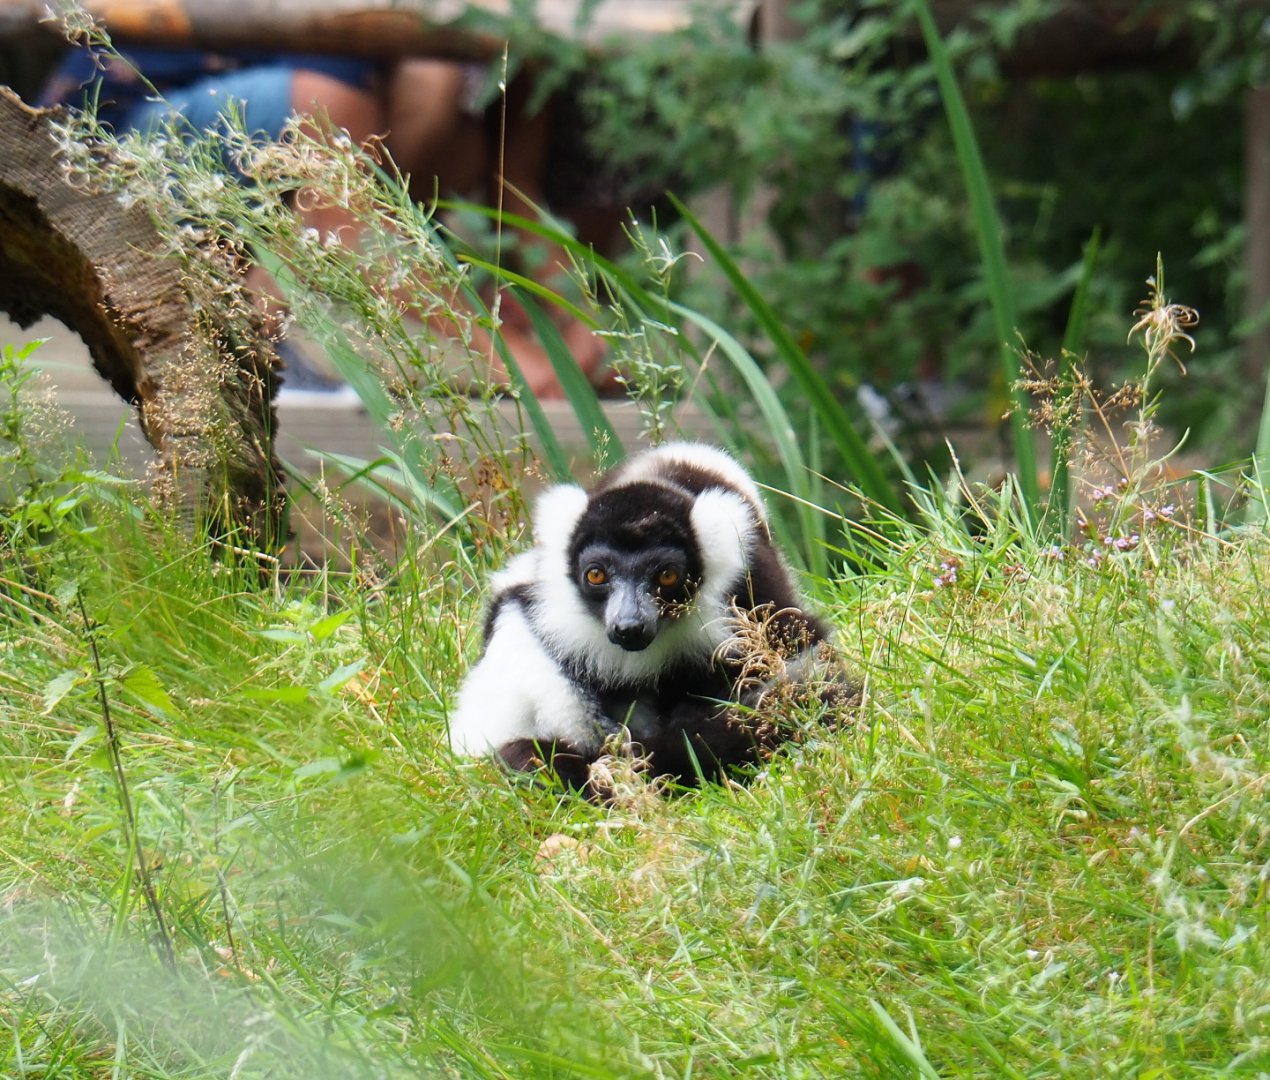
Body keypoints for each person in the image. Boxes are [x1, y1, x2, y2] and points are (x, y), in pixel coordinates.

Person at [40, 46, 613, 398]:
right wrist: (514, 362)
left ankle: (269, 300)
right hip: (100, 153)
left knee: (447, 120)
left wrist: (575, 322)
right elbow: (343, 228)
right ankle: (266, 321)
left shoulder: (477, 38)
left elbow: (514, 191)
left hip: (273, 139)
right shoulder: (339, 40)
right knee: (349, 121)